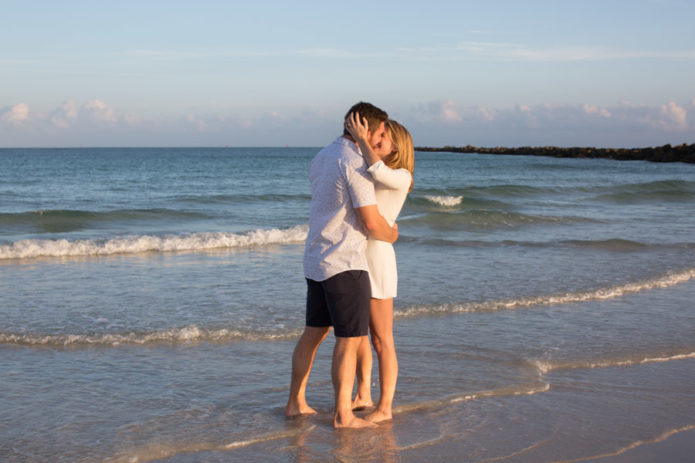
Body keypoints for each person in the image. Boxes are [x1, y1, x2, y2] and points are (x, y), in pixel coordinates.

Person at [285, 102, 399, 429]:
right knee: (349, 340)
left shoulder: (321, 156)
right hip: (345, 262)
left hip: (315, 260)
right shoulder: (356, 163)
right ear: (363, 129)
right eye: (379, 133)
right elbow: (371, 221)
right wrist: (390, 233)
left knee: (312, 335)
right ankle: (343, 415)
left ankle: (295, 403)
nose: (378, 140)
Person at [345, 113, 414, 423]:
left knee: (382, 339)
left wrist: (361, 138)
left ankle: (385, 408)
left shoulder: (401, 177)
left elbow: (375, 168)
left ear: (397, 146)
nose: (375, 138)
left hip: (379, 259)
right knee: (359, 336)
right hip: (357, 256)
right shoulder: (375, 171)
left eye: (383, 137)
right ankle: (363, 394)